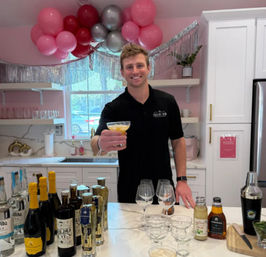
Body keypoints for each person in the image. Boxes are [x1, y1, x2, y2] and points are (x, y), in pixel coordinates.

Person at [91, 43, 195, 208]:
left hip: (164, 187)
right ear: (122, 73)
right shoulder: (113, 108)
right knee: (130, 233)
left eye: (139, 65)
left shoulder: (167, 102)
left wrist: (182, 180)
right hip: (129, 189)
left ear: (148, 68)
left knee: (165, 232)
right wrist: (99, 143)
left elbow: (178, 141)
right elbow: (95, 143)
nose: (135, 71)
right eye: (129, 67)